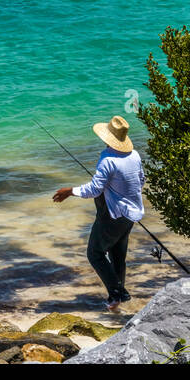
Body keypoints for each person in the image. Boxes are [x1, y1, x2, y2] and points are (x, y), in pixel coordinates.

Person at [52, 114, 144, 310]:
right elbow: (140, 181)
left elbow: (94, 190)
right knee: (118, 256)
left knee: (95, 253)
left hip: (112, 215)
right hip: (130, 214)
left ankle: (118, 293)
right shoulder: (135, 155)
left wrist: (70, 191)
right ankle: (115, 299)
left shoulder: (107, 159)